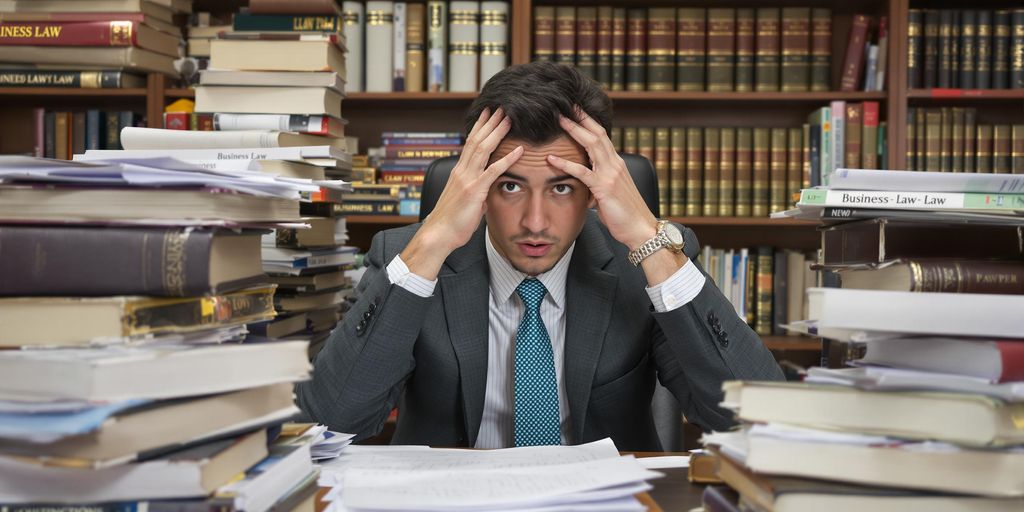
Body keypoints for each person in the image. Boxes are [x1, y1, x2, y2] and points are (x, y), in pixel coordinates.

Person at [297, 62, 784, 451]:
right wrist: (431, 240)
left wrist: (645, 236)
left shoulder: (646, 264)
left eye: (562, 187)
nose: (535, 221)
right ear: (476, 185)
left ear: (596, 190)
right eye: (510, 186)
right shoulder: (411, 261)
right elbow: (331, 424)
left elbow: (755, 421)